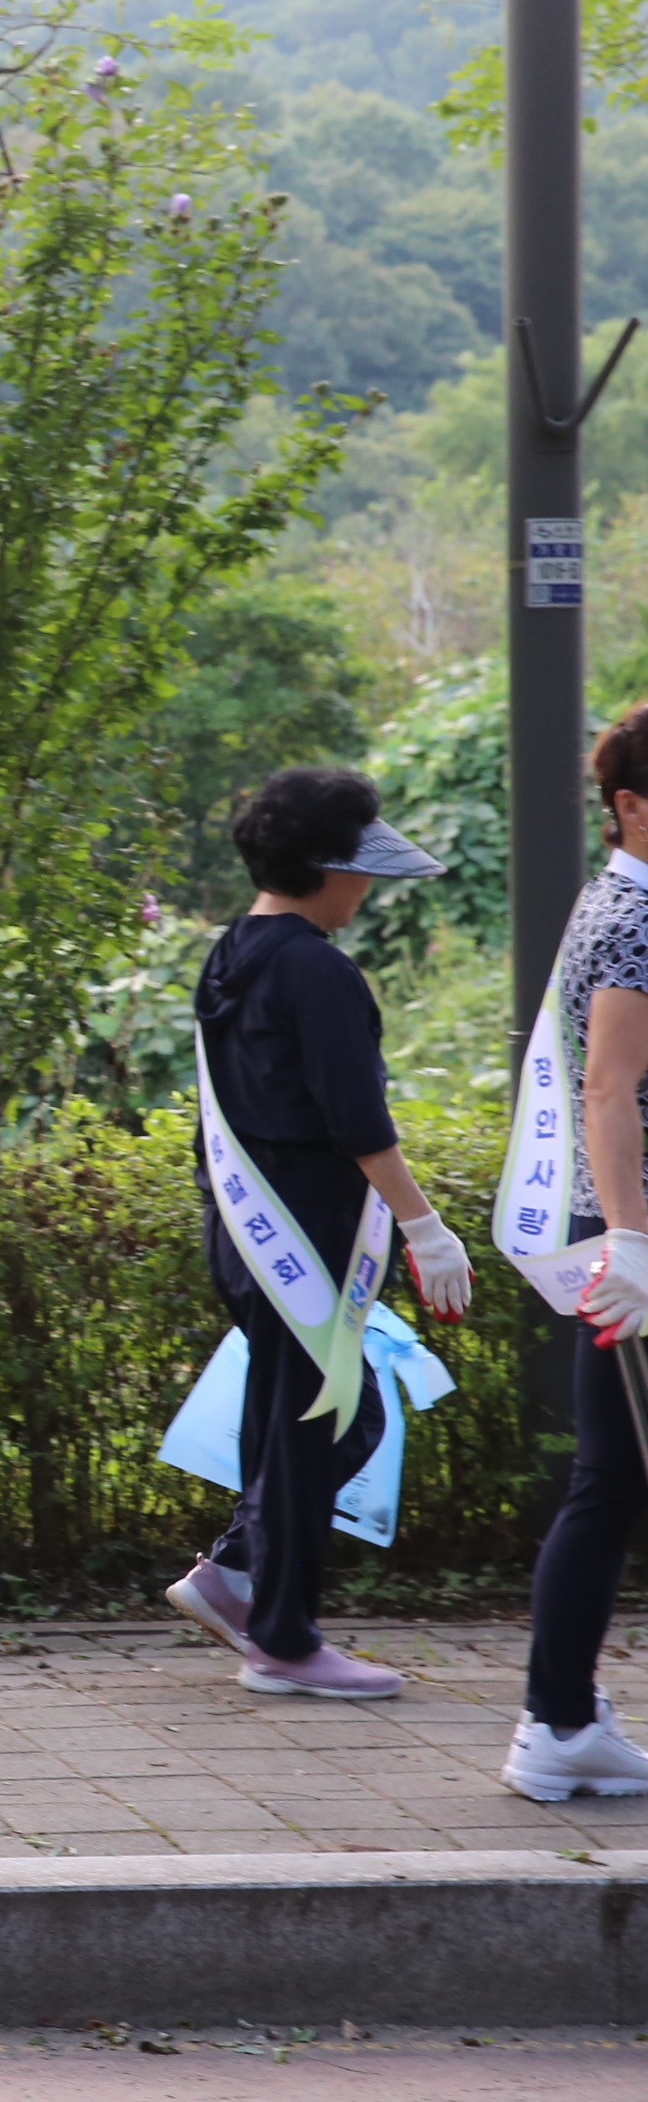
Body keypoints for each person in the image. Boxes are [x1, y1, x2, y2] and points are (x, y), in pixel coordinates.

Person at [165, 766, 470, 1701]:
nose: (367, 889)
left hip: (245, 1227)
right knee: (324, 1422)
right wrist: (425, 1227)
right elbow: (356, 1120)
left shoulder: (232, 953)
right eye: (360, 869)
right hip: (307, 1232)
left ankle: (234, 1574)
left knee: (303, 1419)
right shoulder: (316, 968)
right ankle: (283, 1641)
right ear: (327, 869)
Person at [505, 707, 648, 1799]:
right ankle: (554, 1722)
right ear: (631, 809)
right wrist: (632, 1237)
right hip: (634, 1250)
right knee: (608, 1484)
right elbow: (607, 1087)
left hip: (622, 1242)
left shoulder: (624, 901)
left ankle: (560, 1717)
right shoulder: (634, 917)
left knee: (610, 1481)